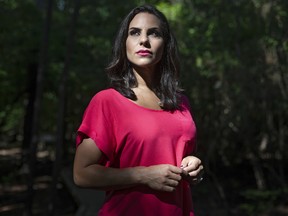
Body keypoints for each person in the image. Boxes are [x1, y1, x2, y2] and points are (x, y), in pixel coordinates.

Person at [73, 4, 204, 216]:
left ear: (166, 44)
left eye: (154, 33)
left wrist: (193, 166)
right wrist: (143, 175)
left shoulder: (181, 103)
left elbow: (178, 154)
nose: (144, 40)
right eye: (134, 33)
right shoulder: (108, 102)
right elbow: (81, 174)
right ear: (124, 44)